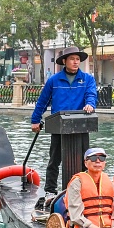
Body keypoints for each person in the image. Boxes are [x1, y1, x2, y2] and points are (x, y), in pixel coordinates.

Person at [30, 46, 98, 211]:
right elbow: (43, 102)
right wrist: (35, 120)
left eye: (77, 59)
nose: (75, 62)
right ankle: (50, 191)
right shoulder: (54, 80)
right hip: (59, 126)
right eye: (72, 59)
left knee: (85, 160)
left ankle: (84, 190)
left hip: (80, 126)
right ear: (64, 62)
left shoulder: (87, 79)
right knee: (54, 160)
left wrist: (90, 104)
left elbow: (91, 94)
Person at [66, 147, 114, 228]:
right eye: (93, 158)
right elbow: (76, 217)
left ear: (104, 163)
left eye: (102, 158)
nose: (98, 161)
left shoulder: (111, 184)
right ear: (86, 163)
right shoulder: (77, 183)